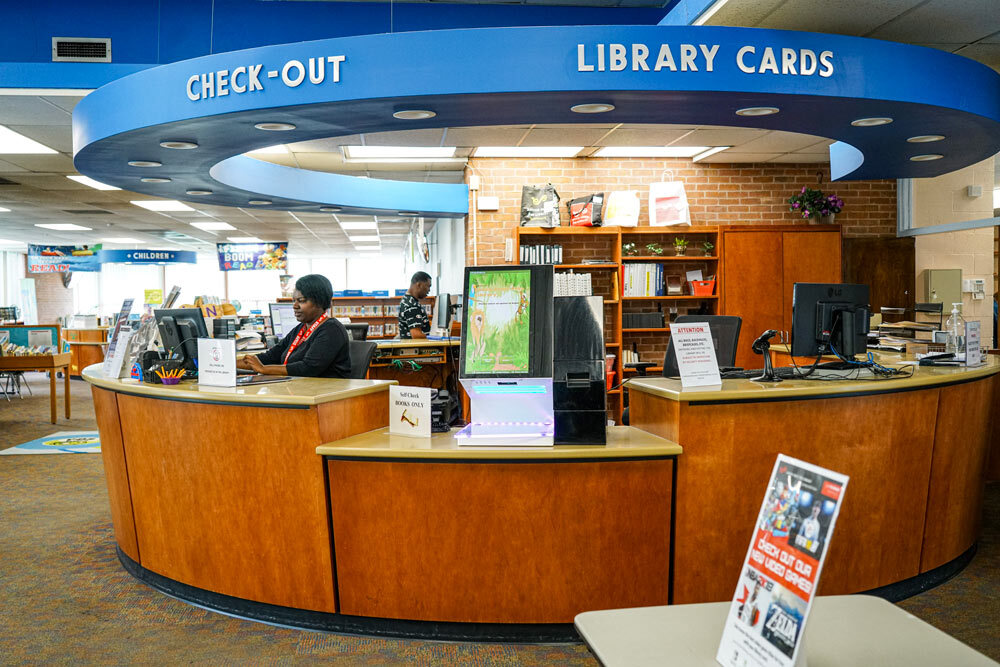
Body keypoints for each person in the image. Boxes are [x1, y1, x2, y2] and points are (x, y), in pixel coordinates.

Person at [237, 274, 351, 378]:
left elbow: (308, 368)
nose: (295, 306)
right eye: (294, 301)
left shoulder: (331, 330)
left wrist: (263, 369)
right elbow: (270, 357)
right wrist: (226, 364)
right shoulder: (301, 329)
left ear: (319, 302)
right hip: (298, 389)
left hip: (326, 394)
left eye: (301, 301)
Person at [398, 271, 432, 339]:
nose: (429, 290)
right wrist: (434, 338)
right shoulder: (412, 305)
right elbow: (416, 335)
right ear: (419, 285)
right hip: (417, 348)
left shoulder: (406, 300)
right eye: (428, 286)